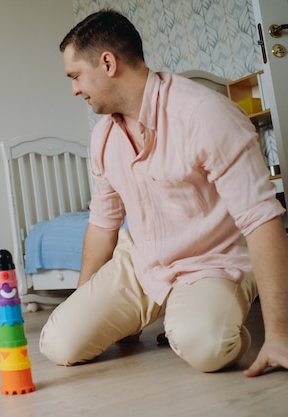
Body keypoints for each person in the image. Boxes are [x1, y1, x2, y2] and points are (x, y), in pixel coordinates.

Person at [39, 9, 288, 377]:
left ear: (107, 63)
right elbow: (102, 226)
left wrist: (280, 334)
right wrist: (84, 305)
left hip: (211, 260)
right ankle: (167, 310)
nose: (74, 88)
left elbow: (263, 219)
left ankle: (210, 317)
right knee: (60, 344)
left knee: (206, 347)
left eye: (75, 76)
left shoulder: (205, 114)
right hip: (142, 260)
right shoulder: (103, 137)